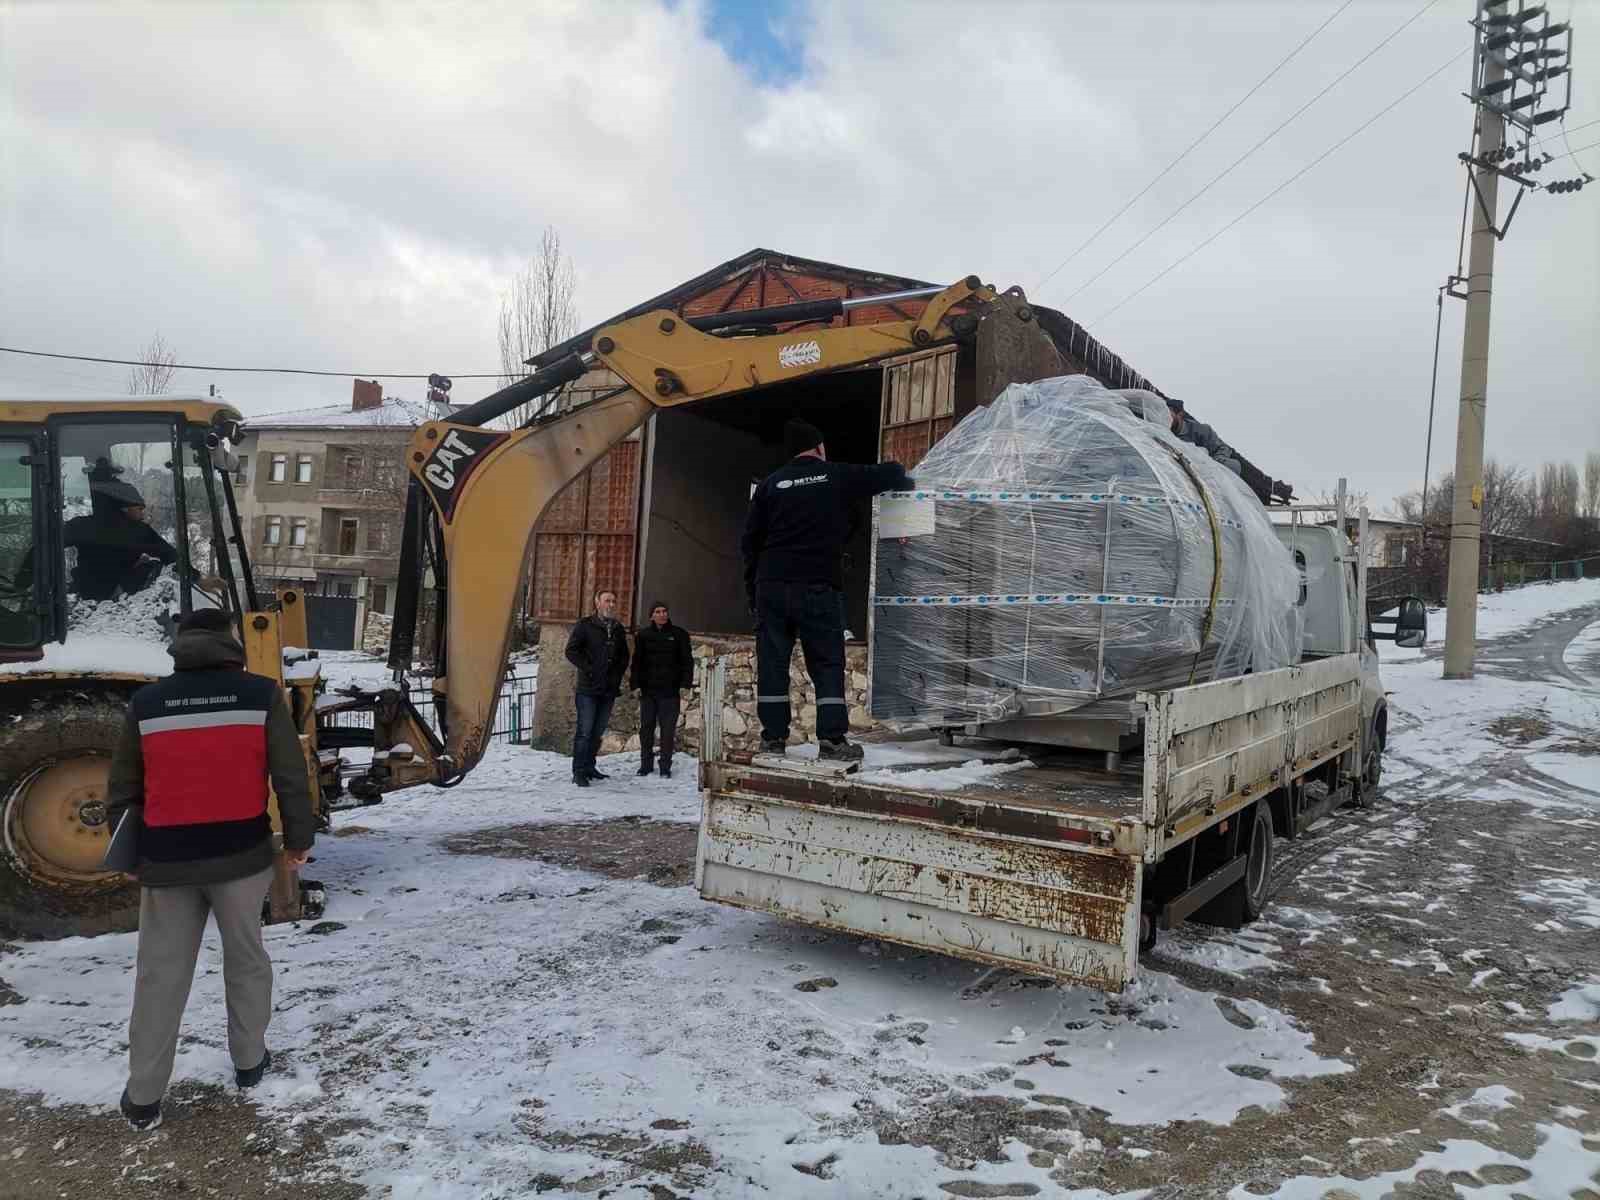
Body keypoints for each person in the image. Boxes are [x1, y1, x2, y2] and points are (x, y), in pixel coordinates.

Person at [106, 608, 314, 1131]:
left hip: (167, 860)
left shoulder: (147, 702)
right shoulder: (261, 694)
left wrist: (129, 855)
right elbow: (289, 774)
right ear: (231, 643)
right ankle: (249, 1063)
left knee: (160, 976)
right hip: (241, 857)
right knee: (246, 960)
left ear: (180, 644)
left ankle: (144, 1097)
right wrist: (298, 840)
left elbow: (124, 788)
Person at [741, 418, 912, 762]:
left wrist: (752, 593)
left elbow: (750, 544)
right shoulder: (834, 475)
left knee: (773, 664)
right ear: (818, 447)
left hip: (771, 588)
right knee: (826, 663)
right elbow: (888, 474)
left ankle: (773, 739)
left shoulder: (770, 486)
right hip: (816, 587)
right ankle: (833, 741)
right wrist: (905, 476)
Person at [64, 477, 178, 600]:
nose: (142, 514)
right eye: (139, 508)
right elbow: (173, 558)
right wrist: (199, 580)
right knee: (154, 565)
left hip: (85, 595)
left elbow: (48, 543)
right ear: (124, 507)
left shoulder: (82, 526)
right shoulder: (138, 532)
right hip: (115, 604)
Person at [564, 588, 630, 787]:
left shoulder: (617, 628)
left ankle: (590, 766)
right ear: (597, 602)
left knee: (597, 732)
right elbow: (571, 651)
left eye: (613, 601)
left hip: (608, 689)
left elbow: (624, 656)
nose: (611, 604)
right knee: (585, 731)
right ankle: (579, 771)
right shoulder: (585, 625)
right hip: (588, 689)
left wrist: (617, 675)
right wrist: (590, 669)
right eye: (607, 600)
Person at [629, 601, 693, 779]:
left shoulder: (679, 634)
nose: (662, 614)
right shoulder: (643, 635)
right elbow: (637, 663)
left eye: (665, 611)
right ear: (651, 615)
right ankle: (645, 765)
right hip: (648, 691)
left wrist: (684, 685)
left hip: (670, 692)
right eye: (658, 611)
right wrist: (635, 685)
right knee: (646, 729)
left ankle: (665, 766)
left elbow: (687, 662)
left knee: (667, 730)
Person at [1165, 397, 1242, 476]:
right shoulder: (1164, 430)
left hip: (1209, 466)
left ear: (1180, 414)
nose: (1166, 417)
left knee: (1232, 466)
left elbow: (1222, 448)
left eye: (1169, 413)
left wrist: (1212, 464)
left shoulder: (1200, 430)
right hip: (1186, 467)